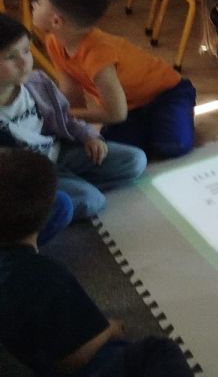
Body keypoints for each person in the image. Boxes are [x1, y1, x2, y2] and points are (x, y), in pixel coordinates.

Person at [0, 147, 218, 377]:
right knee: (153, 355)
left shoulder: (26, 274)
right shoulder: (44, 277)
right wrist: (108, 329)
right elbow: (72, 359)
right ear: (44, 214)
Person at [34, 0, 194, 160]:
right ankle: (153, 124)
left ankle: (167, 118)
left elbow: (116, 114)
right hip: (129, 109)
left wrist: (59, 115)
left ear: (56, 21)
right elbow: (72, 94)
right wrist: (70, 123)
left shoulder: (98, 53)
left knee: (173, 146)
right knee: (115, 152)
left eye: (39, 2)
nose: (33, 5)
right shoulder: (54, 42)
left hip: (167, 94)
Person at [0, 14, 142, 224]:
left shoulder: (37, 83)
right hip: (28, 177)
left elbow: (65, 118)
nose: (24, 62)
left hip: (58, 153)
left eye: (26, 51)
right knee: (90, 200)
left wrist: (89, 136)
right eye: (11, 57)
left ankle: (67, 189)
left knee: (134, 160)